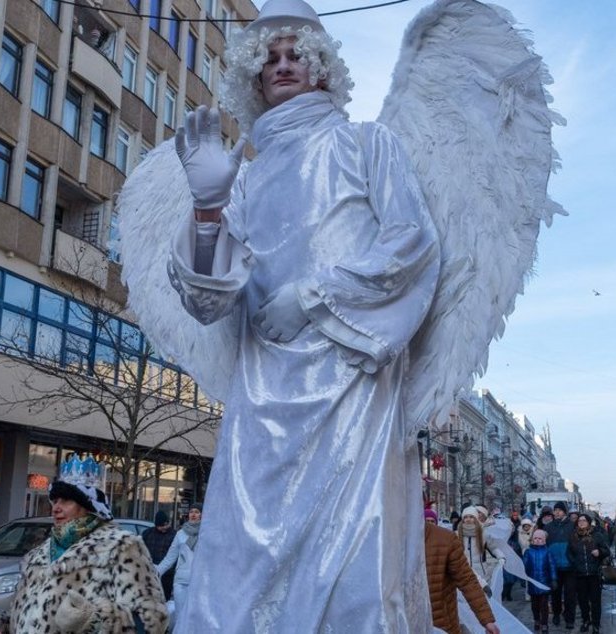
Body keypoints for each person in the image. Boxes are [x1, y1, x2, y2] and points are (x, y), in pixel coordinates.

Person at [160, 0, 440, 628]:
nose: (283, 65)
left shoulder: (365, 142)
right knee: (241, 563)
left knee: (348, 563)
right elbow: (206, 301)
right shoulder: (245, 178)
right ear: (254, 77)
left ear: (321, 69)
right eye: (270, 59)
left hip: (349, 382)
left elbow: (412, 244)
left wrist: (315, 296)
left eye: (296, 55)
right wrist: (207, 208)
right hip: (261, 395)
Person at [9, 456, 168, 632]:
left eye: (66, 501)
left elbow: (152, 622)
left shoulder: (121, 547)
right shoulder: (37, 555)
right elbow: (18, 618)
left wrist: (94, 622)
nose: (55, 508)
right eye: (55, 501)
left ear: (89, 506)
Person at [424, 514, 498, 634]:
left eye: (471, 517)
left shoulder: (446, 538)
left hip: (442, 624)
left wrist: (486, 619)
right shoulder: (388, 539)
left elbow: (466, 579)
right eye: (466, 517)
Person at [156, 504, 202, 627]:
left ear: (202, 515)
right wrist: (157, 571)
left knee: (195, 618)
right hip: (181, 581)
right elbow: (170, 557)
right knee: (181, 617)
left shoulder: (206, 533)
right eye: (191, 511)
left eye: (197, 512)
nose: (193, 514)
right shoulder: (180, 534)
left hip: (200, 582)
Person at [567, 513, 610, 634]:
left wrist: (599, 552)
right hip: (580, 574)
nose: (581, 522)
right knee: (583, 601)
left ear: (589, 522)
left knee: (595, 601)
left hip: (594, 574)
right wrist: (575, 563)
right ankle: (586, 621)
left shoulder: (597, 535)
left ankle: (596, 624)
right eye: (579, 521)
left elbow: (607, 551)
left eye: (584, 520)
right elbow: (569, 553)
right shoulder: (573, 536)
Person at [546, 500, 577, 628]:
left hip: (570, 566)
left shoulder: (572, 526)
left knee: (570, 595)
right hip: (555, 567)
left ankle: (570, 619)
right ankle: (557, 614)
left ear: (565, 512)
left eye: (559, 510)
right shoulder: (548, 527)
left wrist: (574, 559)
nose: (557, 512)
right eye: (555, 510)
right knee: (555, 594)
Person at [523, 529, 557, 634]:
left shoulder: (547, 552)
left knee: (544, 605)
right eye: (535, 538)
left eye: (540, 538)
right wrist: (522, 576)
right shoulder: (528, 552)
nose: (537, 540)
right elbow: (524, 566)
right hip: (533, 582)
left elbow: (552, 566)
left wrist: (554, 579)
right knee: (534, 605)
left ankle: (544, 623)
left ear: (544, 540)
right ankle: (537, 619)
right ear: (532, 540)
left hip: (544, 583)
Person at [142, 510, 177, 600]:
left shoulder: (175, 535)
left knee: (165, 598)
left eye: (166, 525)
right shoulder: (147, 534)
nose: (164, 527)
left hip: (167, 575)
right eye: (161, 526)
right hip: (149, 572)